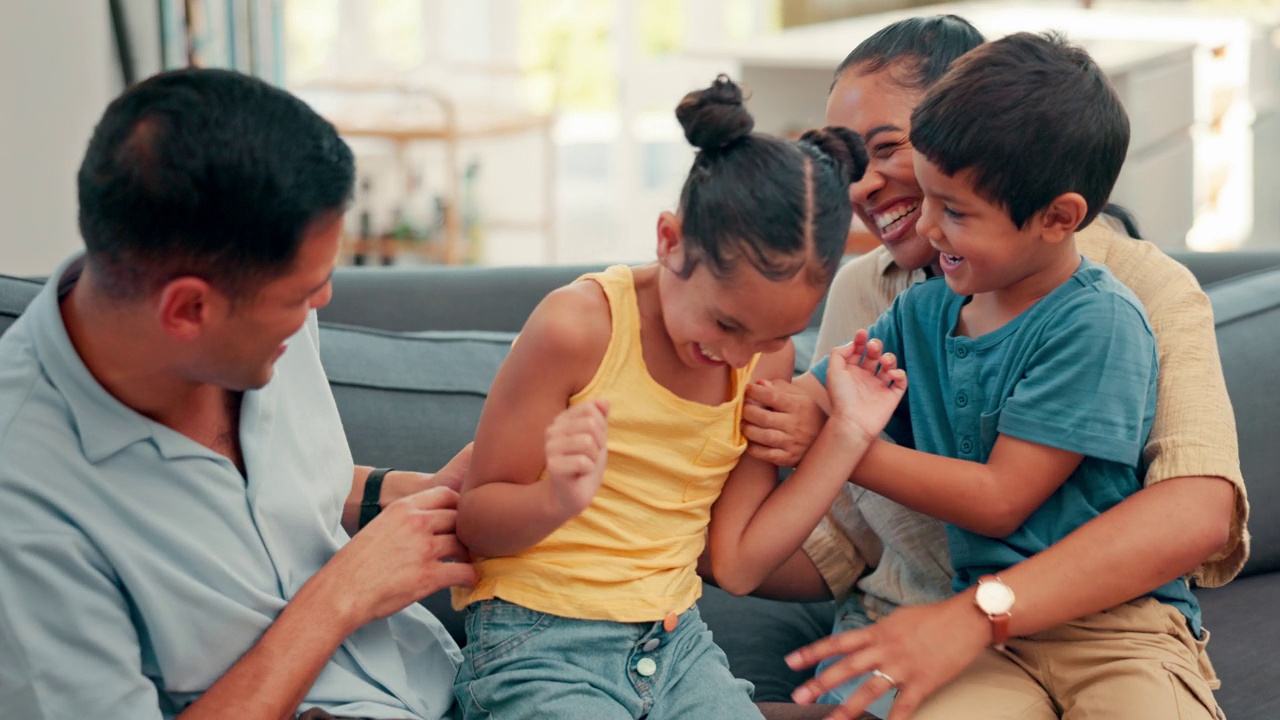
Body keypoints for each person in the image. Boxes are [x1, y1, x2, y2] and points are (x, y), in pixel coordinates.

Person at [740, 18, 1248, 720]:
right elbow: (841, 530)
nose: (863, 186)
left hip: (1094, 627)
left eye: (888, 147)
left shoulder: (1124, 301)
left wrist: (844, 444)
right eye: (845, 160)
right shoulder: (883, 299)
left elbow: (1192, 512)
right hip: (924, 636)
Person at [0, 68, 477, 720]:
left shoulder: (256, 332)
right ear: (189, 309)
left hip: (456, 684)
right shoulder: (21, 501)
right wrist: (340, 597)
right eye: (300, 294)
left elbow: (253, 498)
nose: (322, 302)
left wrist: (412, 496)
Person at [450, 75, 901, 720]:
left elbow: (740, 565)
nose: (741, 357)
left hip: (676, 646)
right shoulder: (578, 328)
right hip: (539, 641)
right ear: (669, 240)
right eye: (724, 324)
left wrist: (849, 432)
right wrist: (556, 500)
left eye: (772, 334)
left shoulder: (764, 360)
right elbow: (477, 523)